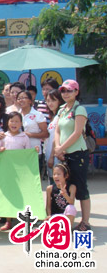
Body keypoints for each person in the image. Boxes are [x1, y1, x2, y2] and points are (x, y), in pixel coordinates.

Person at [54, 79, 91, 231]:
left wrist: (61, 147)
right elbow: (57, 130)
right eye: (63, 90)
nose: (66, 93)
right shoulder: (62, 109)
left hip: (77, 154)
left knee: (81, 187)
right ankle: (68, 219)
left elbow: (77, 133)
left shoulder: (79, 109)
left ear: (76, 92)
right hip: (65, 155)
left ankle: (85, 221)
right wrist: (58, 148)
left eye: (69, 90)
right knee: (66, 187)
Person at [0, 111, 36, 231]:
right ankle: (8, 221)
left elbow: (28, 154)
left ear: (21, 123)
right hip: (7, 171)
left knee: (22, 196)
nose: (14, 124)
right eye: (11, 121)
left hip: (20, 172)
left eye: (17, 121)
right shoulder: (4, 136)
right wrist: (0, 149)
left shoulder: (24, 137)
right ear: (7, 123)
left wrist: (34, 151)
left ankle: (23, 221)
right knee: (9, 196)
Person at [16, 90, 48, 155]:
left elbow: (46, 134)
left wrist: (30, 135)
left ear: (30, 101)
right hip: (19, 151)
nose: (21, 100)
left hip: (34, 150)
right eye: (19, 98)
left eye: (23, 98)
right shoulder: (16, 115)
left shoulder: (37, 115)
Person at [46, 163, 77, 227]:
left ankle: (68, 229)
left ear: (66, 176)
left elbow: (71, 202)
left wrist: (65, 194)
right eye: (54, 174)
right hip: (54, 216)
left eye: (58, 174)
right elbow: (48, 205)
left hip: (65, 215)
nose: (56, 176)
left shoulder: (71, 187)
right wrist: (49, 215)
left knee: (71, 208)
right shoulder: (50, 188)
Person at [45, 89, 65, 184]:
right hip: (49, 153)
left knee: (58, 183)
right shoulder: (53, 117)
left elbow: (56, 138)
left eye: (53, 100)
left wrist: (52, 156)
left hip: (56, 155)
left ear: (59, 101)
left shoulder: (60, 116)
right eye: (48, 100)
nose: (50, 103)